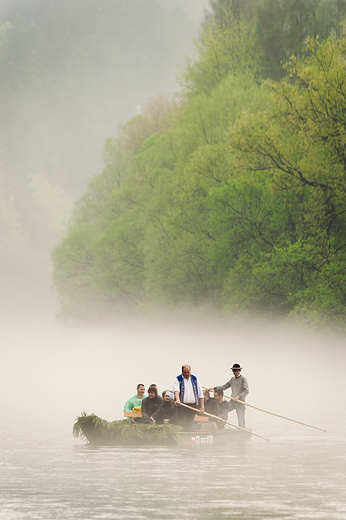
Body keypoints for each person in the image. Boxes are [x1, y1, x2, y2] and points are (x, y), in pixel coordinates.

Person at [209, 363, 249, 429]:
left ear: (240, 371)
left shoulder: (243, 379)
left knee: (240, 419)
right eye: (234, 371)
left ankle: (242, 431)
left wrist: (238, 397)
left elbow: (246, 391)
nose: (235, 372)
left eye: (236, 371)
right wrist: (215, 388)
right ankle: (219, 425)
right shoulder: (232, 379)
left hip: (240, 402)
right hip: (233, 401)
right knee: (222, 410)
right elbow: (225, 386)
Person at [173, 364, 204, 431]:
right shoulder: (178, 379)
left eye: (188, 372)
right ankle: (181, 436)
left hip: (192, 406)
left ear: (190, 371)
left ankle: (188, 436)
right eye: (185, 372)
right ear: (182, 372)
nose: (187, 374)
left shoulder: (195, 379)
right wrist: (178, 399)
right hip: (182, 406)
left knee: (189, 423)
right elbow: (176, 391)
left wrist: (202, 407)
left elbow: (200, 394)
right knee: (181, 422)